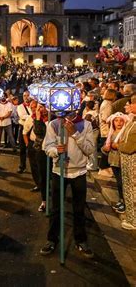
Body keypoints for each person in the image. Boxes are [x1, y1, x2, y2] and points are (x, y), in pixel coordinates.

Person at [40, 111, 95, 258]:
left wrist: (76, 133)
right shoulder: (54, 124)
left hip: (79, 172)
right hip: (59, 171)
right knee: (56, 208)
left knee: (79, 209)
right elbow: (47, 147)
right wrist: (56, 151)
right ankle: (52, 239)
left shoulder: (86, 124)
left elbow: (90, 149)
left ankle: (81, 240)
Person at [102, 112, 130, 214]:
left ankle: (126, 202)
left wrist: (118, 146)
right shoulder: (111, 133)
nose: (119, 123)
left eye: (121, 120)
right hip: (113, 161)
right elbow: (106, 148)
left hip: (121, 161)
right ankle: (121, 199)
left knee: (122, 182)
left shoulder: (124, 133)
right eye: (116, 120)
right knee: (118, 182)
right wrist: (105, 148)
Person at [117, 95, 136, 230]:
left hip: (132, 163)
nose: (127, 105)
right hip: (127, 163)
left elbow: (130, 147)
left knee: (133, 191)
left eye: (131, 103)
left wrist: (119, 146)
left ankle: (134, 220)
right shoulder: (133, 121)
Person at [17, 91, 32, 173]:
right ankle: (22, 165)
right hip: (23, 128)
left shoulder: (33, 105)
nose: (26, 97)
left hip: (32, 129)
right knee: (22, 148)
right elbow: (22, 116)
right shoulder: (20, 107)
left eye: (28, 95)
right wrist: (32, 116)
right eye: (24, 95)